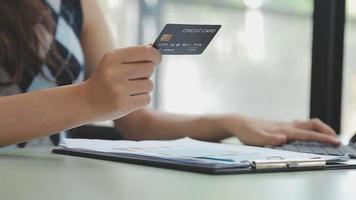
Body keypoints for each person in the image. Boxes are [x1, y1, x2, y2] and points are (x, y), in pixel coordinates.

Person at [0, 0, 341, 148]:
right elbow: (94, 100)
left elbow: (136, 122)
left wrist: (231, 123)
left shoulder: (76, 5)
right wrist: (88, 98)